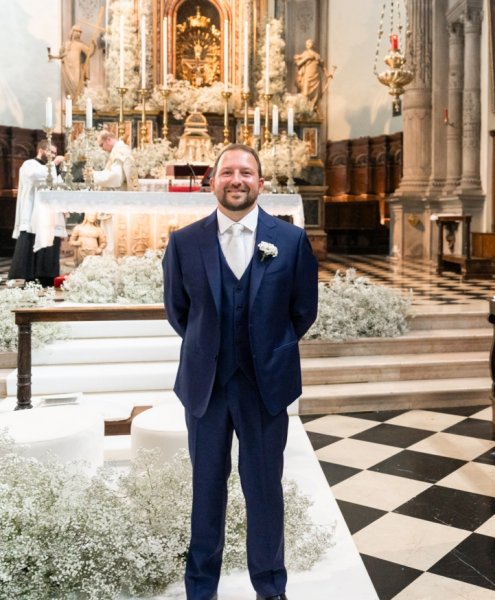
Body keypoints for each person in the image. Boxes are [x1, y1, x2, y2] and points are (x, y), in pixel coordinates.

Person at [162, 143, 318, 600]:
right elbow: (179, 312)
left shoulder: (289, 240)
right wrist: (210, 347)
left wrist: (268, 349)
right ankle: (201, 590)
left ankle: (271, 589)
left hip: (264, 387)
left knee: (264, 491)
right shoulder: (184, 242)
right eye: (227, 172)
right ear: (212, 181)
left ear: (261, 183)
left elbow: (302, 310)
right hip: (205, 388)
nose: (237, 180)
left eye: (246, 173)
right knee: (206, 490)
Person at [9, 140, 65, 286]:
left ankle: (47, 275)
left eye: (55, 153)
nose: (53, 155)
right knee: (31, 241)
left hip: (49, 213)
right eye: (51, 152)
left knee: (50, 244)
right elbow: (38, 178)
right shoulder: (29, 165)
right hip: (33, 213)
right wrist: (54, 165)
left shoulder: (51, 168)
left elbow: (57, 185)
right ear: (41, 150)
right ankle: (28, 277)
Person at [49, 25, 97, 101]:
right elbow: (62, 55)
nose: (78, 34)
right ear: (72, 32)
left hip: (76, 68)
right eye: (76, 31)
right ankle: (70, 103)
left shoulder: (80, 44)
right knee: (68, 87)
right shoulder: (66, 44)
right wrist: (53, 57)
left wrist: (94, 45)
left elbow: (89, 53)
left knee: (76, 85)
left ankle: (76, 102)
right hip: (67, 68)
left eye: (79, 32)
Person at [293, 38, 327, 112]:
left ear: (313, 44)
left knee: (316, 94)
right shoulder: (305, 54)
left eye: (309, 43)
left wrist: (327, 74)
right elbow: (298, 63)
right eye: (307, 43)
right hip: (307, 76)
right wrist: (307, 58)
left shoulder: (317, 55)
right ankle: (304, 109)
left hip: (316, 76)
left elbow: (322, 65)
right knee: (305, 92)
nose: (308, 45)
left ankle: (312, 108)